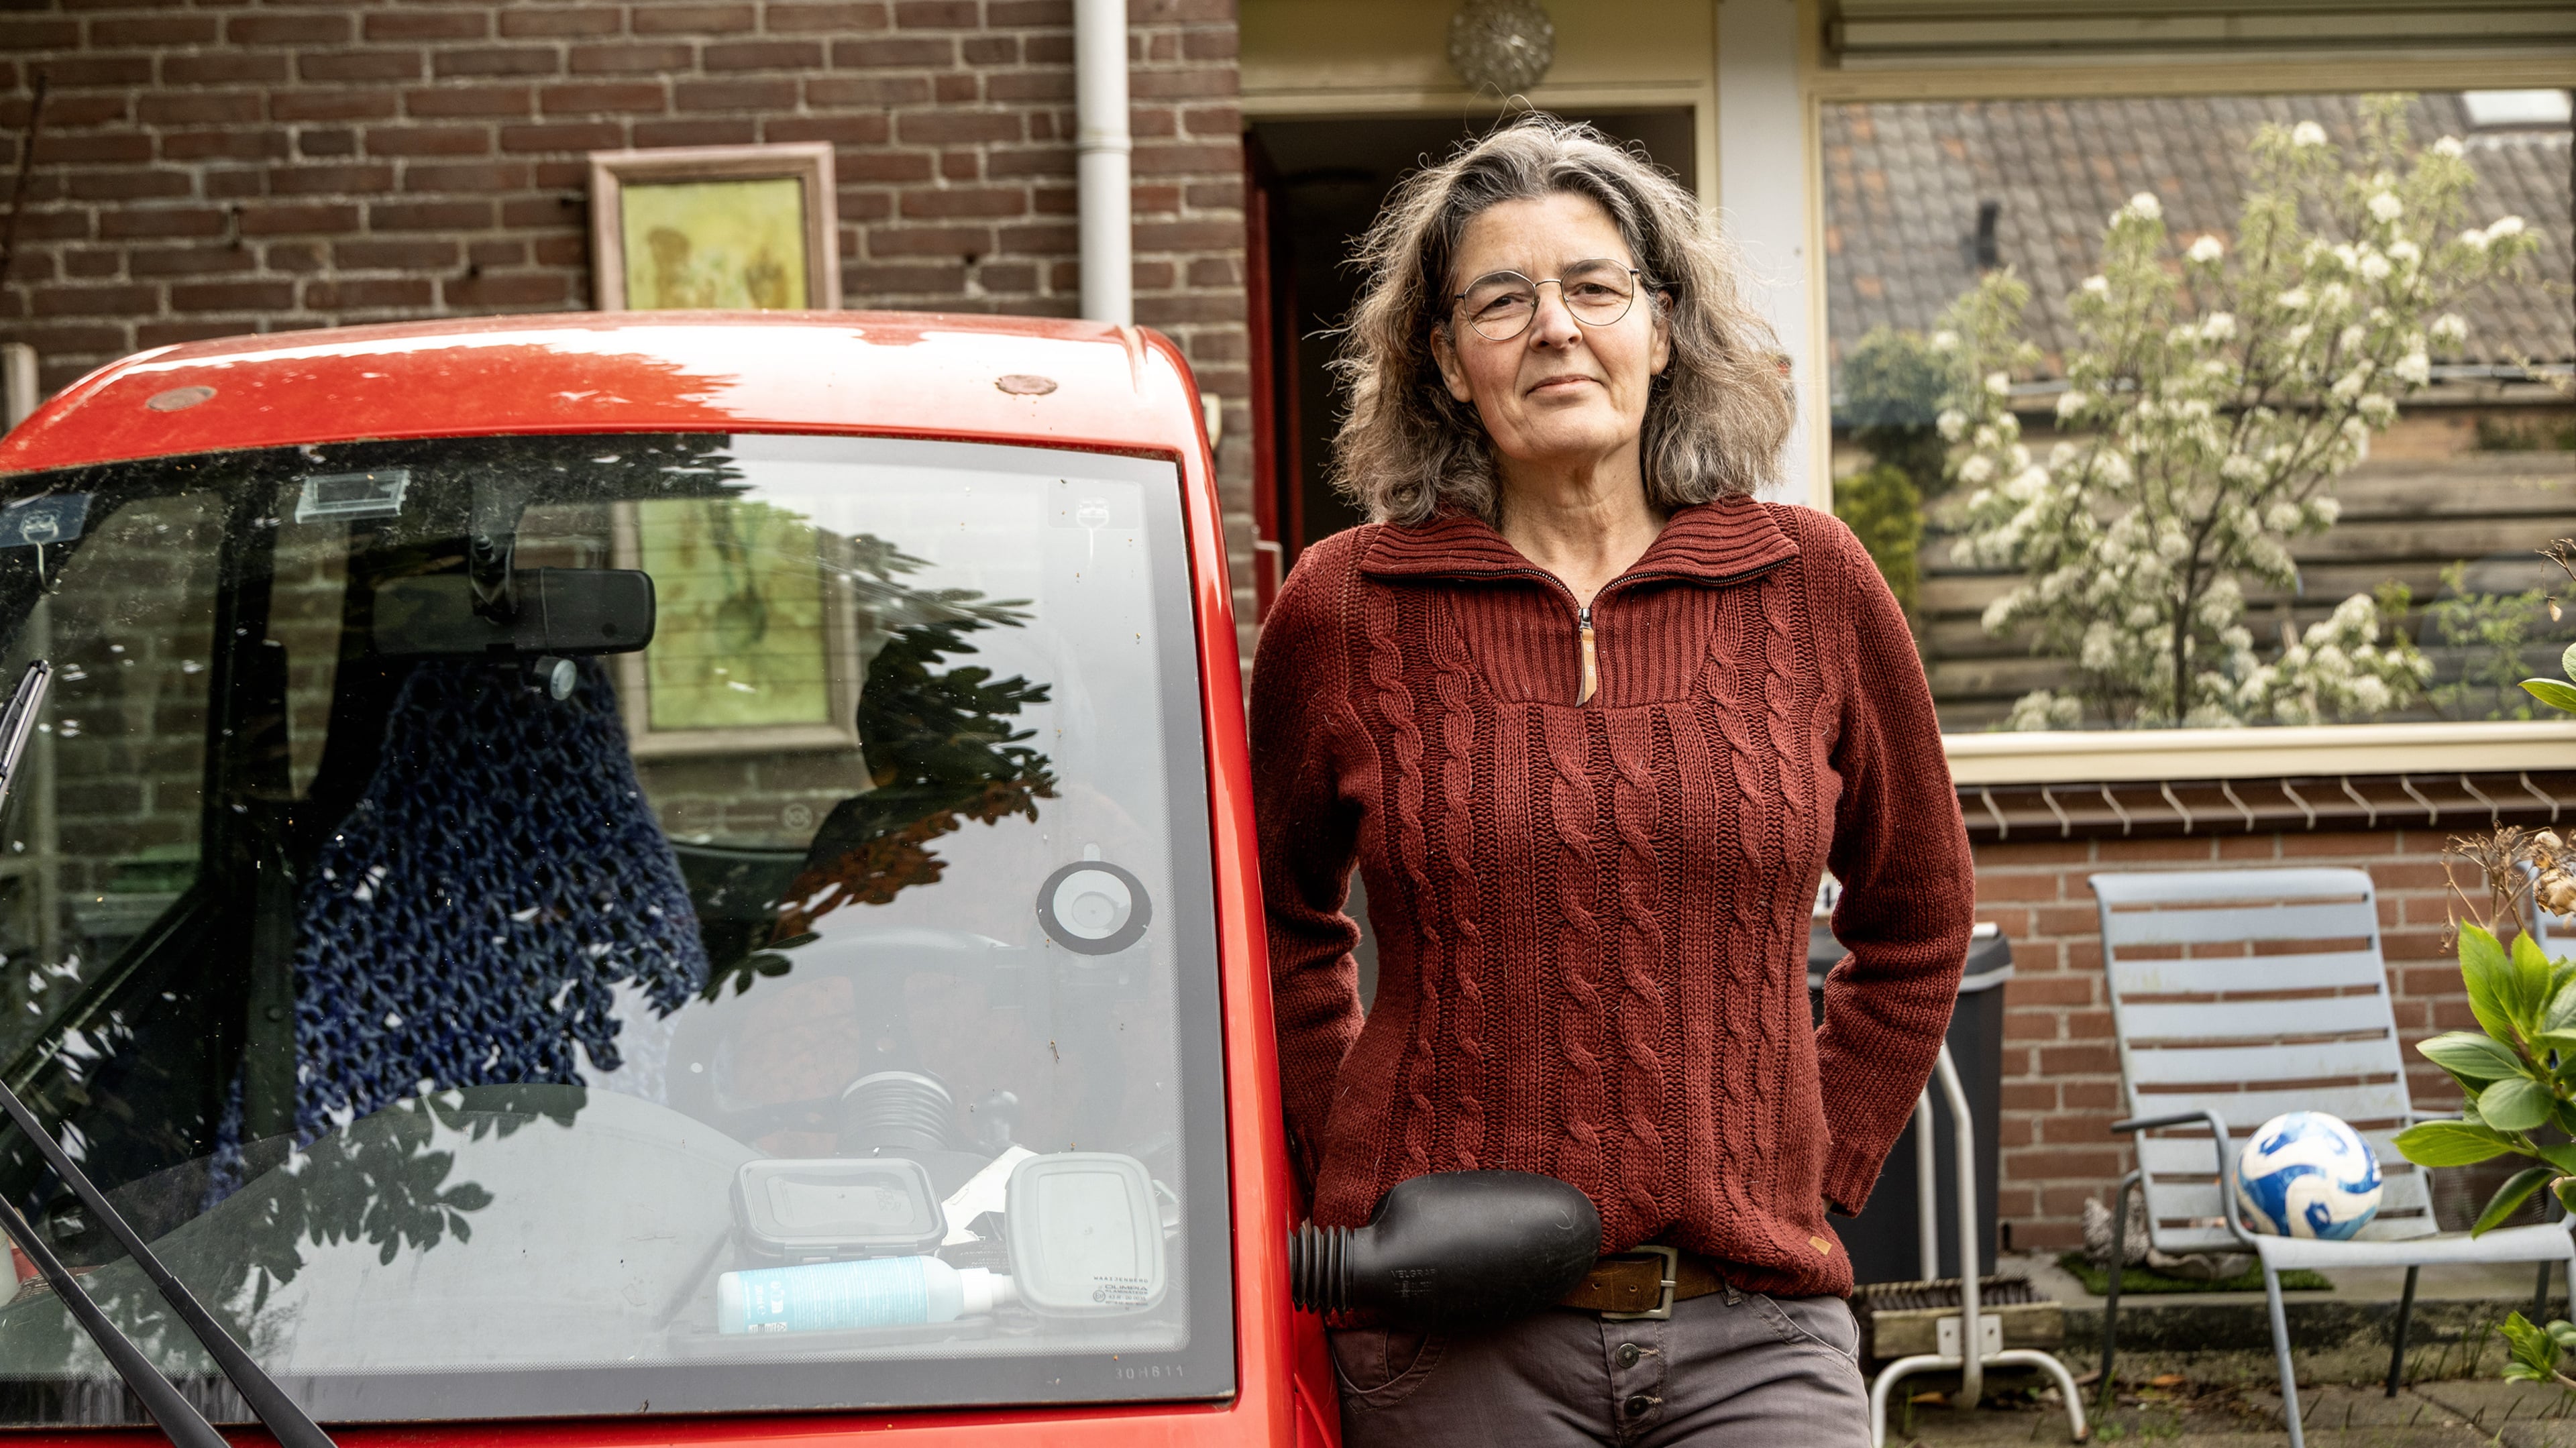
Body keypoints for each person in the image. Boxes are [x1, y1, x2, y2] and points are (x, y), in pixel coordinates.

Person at [1249, 115, 1973, 1445]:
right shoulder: (1345, 607)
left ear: (1665, 326)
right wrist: (1348, 1161)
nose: (1555, 329)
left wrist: (1813, 1161)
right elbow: (1270, 927)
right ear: (1446, 363)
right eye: (1501, 300)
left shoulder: (1811, 583)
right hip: (1455, 1340)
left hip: (1756, 1327)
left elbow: (1918, 922)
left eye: (1594, 288)